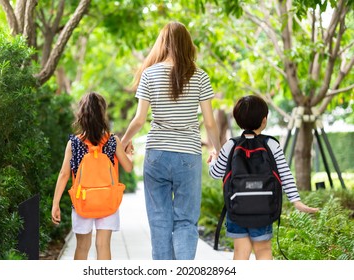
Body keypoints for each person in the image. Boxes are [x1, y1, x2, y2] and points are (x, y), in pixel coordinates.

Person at [121, 21, 221, 260]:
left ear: (163, 43)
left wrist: (124, 141)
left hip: (157, 154)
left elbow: (139, 119)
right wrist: (218, 150)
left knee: (159, 221)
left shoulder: (150, 73)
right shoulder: (200, 75)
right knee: (186, 221)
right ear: (188, 44)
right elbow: (209, 122)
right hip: (188, 154)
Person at [208, 95, 319, 260]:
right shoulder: (271, 144)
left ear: (238, 120)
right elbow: (285, 174)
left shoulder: (231, 145)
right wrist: (296, 201)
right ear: (264, 120)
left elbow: (216, 173)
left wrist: (212, 160)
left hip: (236, 209)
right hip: (263, 209)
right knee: (263, 251)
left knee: (240, 252)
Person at [51, 92, 133, 260]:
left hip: (83, 201)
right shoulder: (112, 141)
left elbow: (64, 174)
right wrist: (129, 153)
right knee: (103, 246)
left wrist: (56, 203)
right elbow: (129, 167)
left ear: (81, 115)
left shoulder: (74, 143)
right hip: (108, 200)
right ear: (102, 114)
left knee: (82, 247)